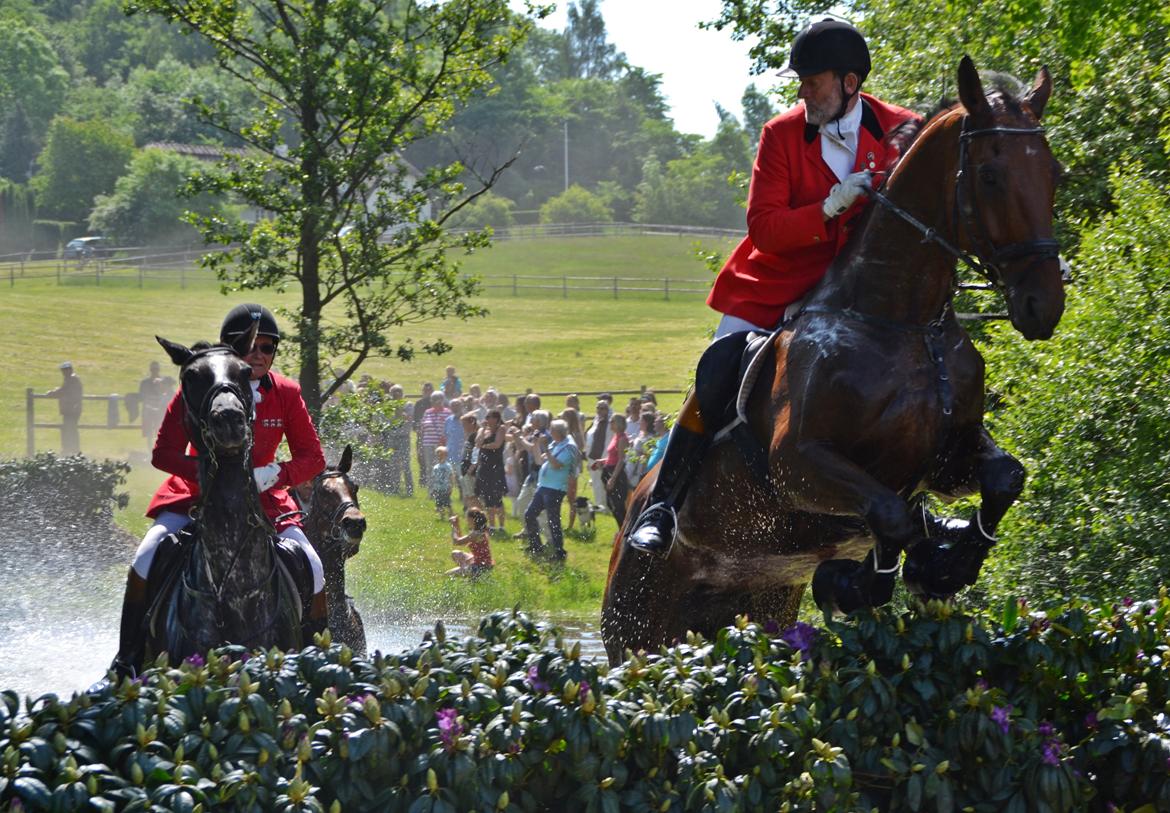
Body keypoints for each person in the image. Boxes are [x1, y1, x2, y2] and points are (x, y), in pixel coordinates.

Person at [627, 19, 918, 556]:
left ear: (850, 82)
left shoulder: (904, 130)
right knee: (715, 373)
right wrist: (830, 206)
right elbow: (764, 227)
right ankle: (663, 506)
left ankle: (922, 509)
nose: (802, 91)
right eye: (801, 82)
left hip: (856, 296)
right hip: (777, 283)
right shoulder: (780, 134)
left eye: (813, 80)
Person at [112, 304, 327, 676]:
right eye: (251, 346)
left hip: (266, 499)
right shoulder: (199, 383)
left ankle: (317, 661)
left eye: (268, 347)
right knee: (144, 559)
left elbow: (313, 458)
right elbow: (163, 453)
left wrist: (273, 474)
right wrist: (205, 471)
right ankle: (126, 661)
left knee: (313, 565)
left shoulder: (287, 393)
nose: (258, 354)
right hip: (193, 496)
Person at [516, 418, 578, 562]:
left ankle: (559, 552)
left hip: (555, 489)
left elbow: (556, 465)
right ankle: (535, 546)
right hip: (544, 487)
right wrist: (537, 444)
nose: (549, 432)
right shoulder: (556, 444)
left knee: (553, 521)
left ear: (557, 432)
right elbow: (539, 460)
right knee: (529, 515)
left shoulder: (569, 447)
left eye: (551, 430)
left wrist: (546, 448)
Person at [472, 409, 509, 534]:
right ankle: (492, 526)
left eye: (490, 417)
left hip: (496, 468)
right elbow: (477, 442)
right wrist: (482, 429)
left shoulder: (501, 429)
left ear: (496, 419)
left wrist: (484, 446)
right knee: (487, 498)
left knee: (497, 498)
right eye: (486, 417)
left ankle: (502, 526)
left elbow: (497, 444)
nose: (487, 419)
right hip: (484, 468)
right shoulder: (484, 430)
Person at [594, 414, 630, 526]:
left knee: (618, 506)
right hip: (609, 470)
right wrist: (603, 461)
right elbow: (612, 457)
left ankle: (624, 529)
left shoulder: (623, 438)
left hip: (617, 475)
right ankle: (622, 530)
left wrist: (613, 478)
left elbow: (621, 460)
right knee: (611, 504)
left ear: (618, 424)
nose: (610, 423)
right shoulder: (616, 436)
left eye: (612, 421)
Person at [46, 362, 83, 455]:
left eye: (65, 370)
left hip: (72, 409)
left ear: (69, 370)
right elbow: (64, 390)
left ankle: (71, 450)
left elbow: (64, 391)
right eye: (63, 370)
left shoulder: (72, 379)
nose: (64, 372)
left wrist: (52, 393)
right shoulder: (71, 379)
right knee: (69, 429)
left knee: (70, 429)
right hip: (71, 409)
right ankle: (71, 449)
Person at [446, 508, 494, 578]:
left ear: (472, 519)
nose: (466, 521)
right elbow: (462, 541)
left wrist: (453, 525)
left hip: (481, 567)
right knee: (455, 553)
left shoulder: (476, 534)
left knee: (448, 574)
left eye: (467, 518)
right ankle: (467, 572)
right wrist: (457, 524)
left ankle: (471, 574)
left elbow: (456, 542)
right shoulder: (478, 531)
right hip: (479, 562)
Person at [385, 384, 414, 496]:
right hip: (392, 437)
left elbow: (409, 418)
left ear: (402, 393)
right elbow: (387, 420)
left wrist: (399, 408)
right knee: (393, 464)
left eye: (398, 392)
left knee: (406, 464)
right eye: (394, 392)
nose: (396, 394)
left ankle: (409, 490)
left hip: (404, 438)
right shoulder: (388, 406)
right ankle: (395, 488)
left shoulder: (408, 405)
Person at [583, 399, 612, 509]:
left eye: (602, 408)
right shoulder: (595, 421)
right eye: (598, 408)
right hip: (592, 457)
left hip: (604, 457)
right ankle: (599, 504)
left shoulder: (610, 423)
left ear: (607, 410)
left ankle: (605, 505)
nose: (599, 410)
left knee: (603, 481)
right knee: (595, 481)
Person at [138, 361, 173, 444]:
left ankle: (158, 448)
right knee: (149, 432)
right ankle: (150, 451)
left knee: (160, 430)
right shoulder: (145, 383)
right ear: (151, 370)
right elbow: (142, 395)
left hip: (161, 410)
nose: (155, 371)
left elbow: (170, 393)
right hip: (149, 409)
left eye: (156, 369)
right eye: (153, 369)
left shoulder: (163, 382)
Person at [413, 382, 435, 486]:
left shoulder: (435, 404)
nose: (427, 392)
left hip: (434, 436)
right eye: (425, 390)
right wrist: (417, 428)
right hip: (421, 435)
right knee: (421, 458)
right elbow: (415, 419)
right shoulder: (419, 403)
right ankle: (423, 481)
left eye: (429, 390)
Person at [429, 446, 456, 519]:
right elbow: (433, 478)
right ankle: (442, 516)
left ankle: (451, 515)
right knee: (439, 503)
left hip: (445, 487)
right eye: (438, 455)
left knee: (447, 503)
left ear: (446, 455)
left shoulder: (447, 466)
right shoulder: (436, 467)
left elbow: (451, 476)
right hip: (437, 487)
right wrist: (433, 488)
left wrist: (451, 486)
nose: (439, 456)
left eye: (441, 455)